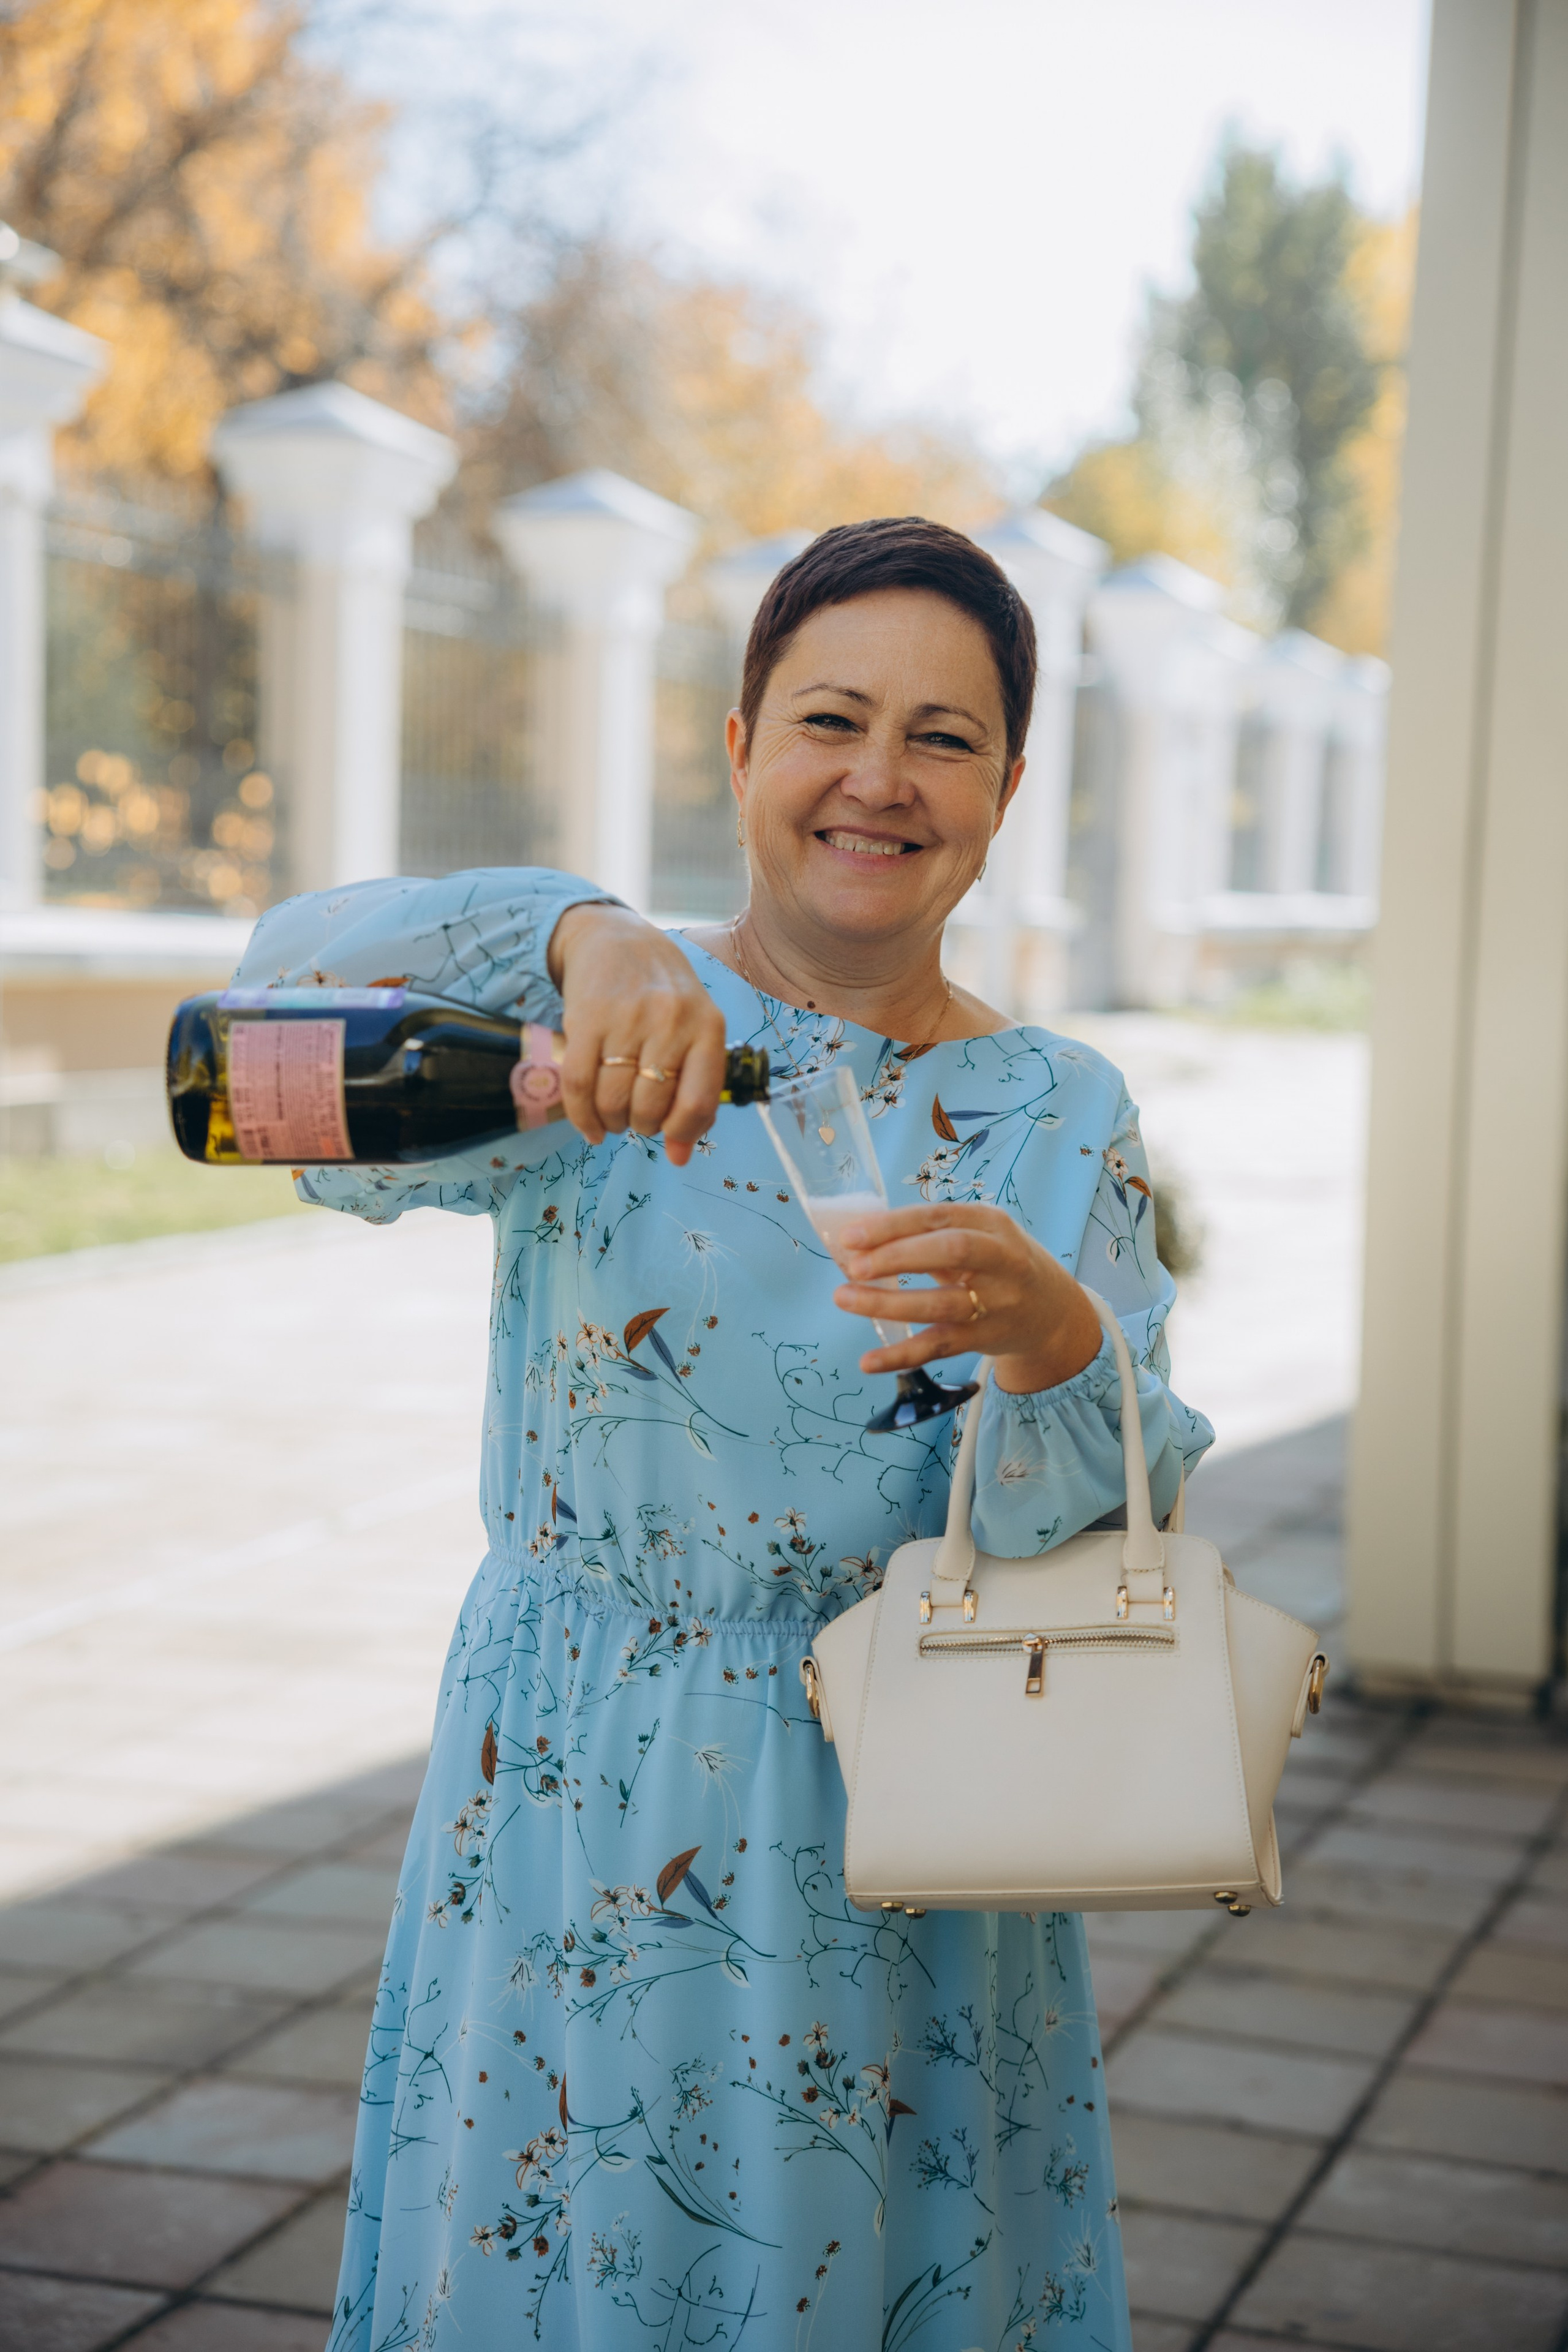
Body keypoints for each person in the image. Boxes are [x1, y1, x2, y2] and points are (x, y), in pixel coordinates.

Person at [234, 518, 1211, 2350]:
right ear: (743, 743)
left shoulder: (1059, 1106)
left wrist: (1058, 1343)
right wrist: (572, 926)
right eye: (831, 718)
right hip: (579, 1769)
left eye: (943, 735)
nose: (879, 778)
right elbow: (262, 1027)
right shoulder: (614, 1031)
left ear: (1009, 783)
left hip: (911, 1812)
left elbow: (1117, 1496)